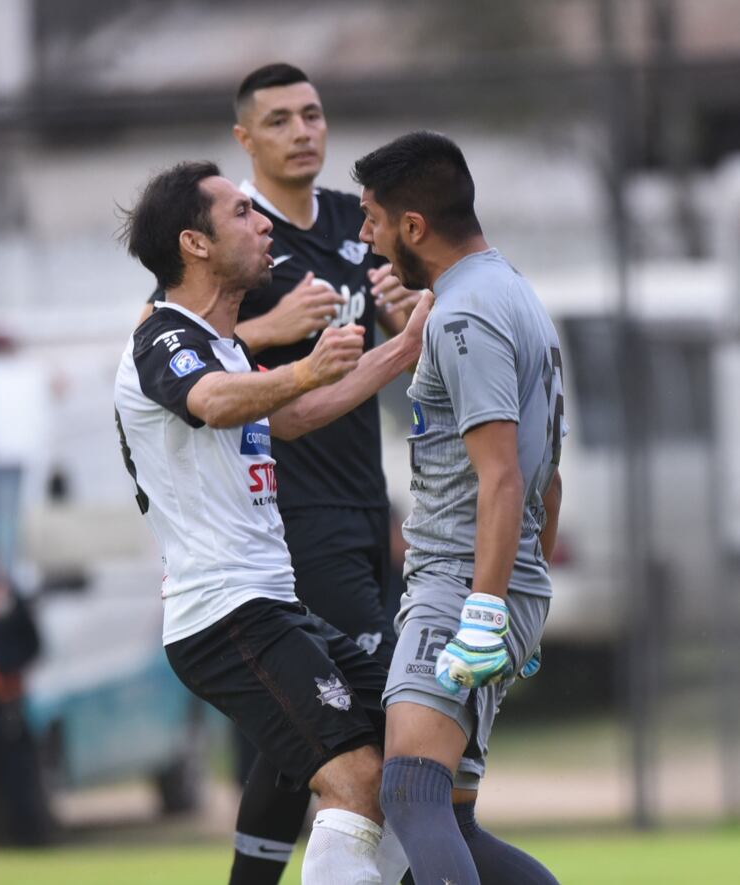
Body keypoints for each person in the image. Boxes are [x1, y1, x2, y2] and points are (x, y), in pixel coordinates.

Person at [139, 62, 420, 885]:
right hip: (287, 530)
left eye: (313, 114)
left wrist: (406, 329)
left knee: (349, 738)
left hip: (364, 502)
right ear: (245, 139)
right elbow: (191, 374)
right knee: (359, 757)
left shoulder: (353, 221)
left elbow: (296, 407)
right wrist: (278, 336)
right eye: (281, 119)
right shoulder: (216, 280)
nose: (304, 131)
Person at [353, 131, 564, 885]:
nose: (366, 237)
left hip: (458, 588)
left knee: (409, 795)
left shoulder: (463, 317)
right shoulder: (510, 291)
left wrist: (482, 607)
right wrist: (521, 595)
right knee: (455, 827)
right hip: (497, 584)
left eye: (374, 221)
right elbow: (550, 483)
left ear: (413, 226)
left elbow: (503, 478)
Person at [0, 535, 51, 845]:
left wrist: (3, 666)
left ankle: (27, 840)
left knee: (18, 779)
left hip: (3, 704)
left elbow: (33, 643)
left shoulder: (5, 598)